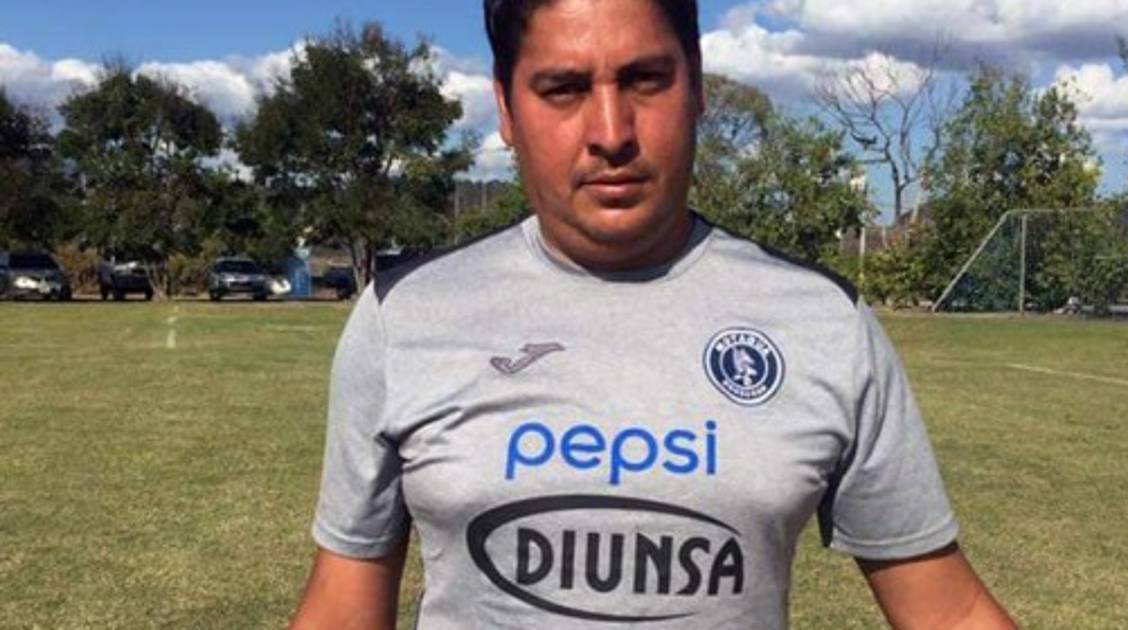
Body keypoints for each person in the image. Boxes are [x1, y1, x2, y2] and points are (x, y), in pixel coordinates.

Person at [290, 0, 1017, 628]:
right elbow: (341, 611)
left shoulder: (824, 323)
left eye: (645, 79)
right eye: (564, 88)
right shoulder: (405, 316)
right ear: (507, 110)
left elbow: (947, 612)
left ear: (696, 88)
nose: (612, 132)